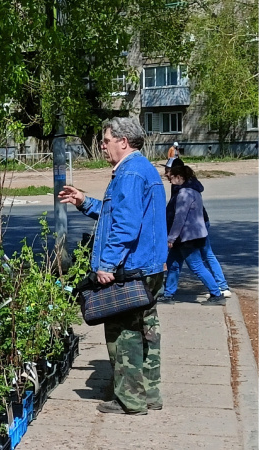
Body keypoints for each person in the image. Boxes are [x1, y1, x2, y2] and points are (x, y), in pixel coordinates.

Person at [59, 117, 166, 415]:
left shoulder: (130, 173)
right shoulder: (142, 169)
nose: (102, 146)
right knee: (147, 330)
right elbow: (116, 213)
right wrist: (84, 201)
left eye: (105, 140)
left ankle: (129, 400)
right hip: (150, 268)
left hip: (132, 269)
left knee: (124, 334)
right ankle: (149, 395)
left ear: (123, 141)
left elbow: (125, 226)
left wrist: (106, 264)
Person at [161, 158, 230, 302]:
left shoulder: (184, 193)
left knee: (197, 266)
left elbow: (180, 218)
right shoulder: (193, 189)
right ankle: (168, 294)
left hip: (187, 237)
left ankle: (216, 293)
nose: (167, 177)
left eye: (170, 175)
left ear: (179, 177)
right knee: (173, 263)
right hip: (190, 235)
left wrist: (171, 238)